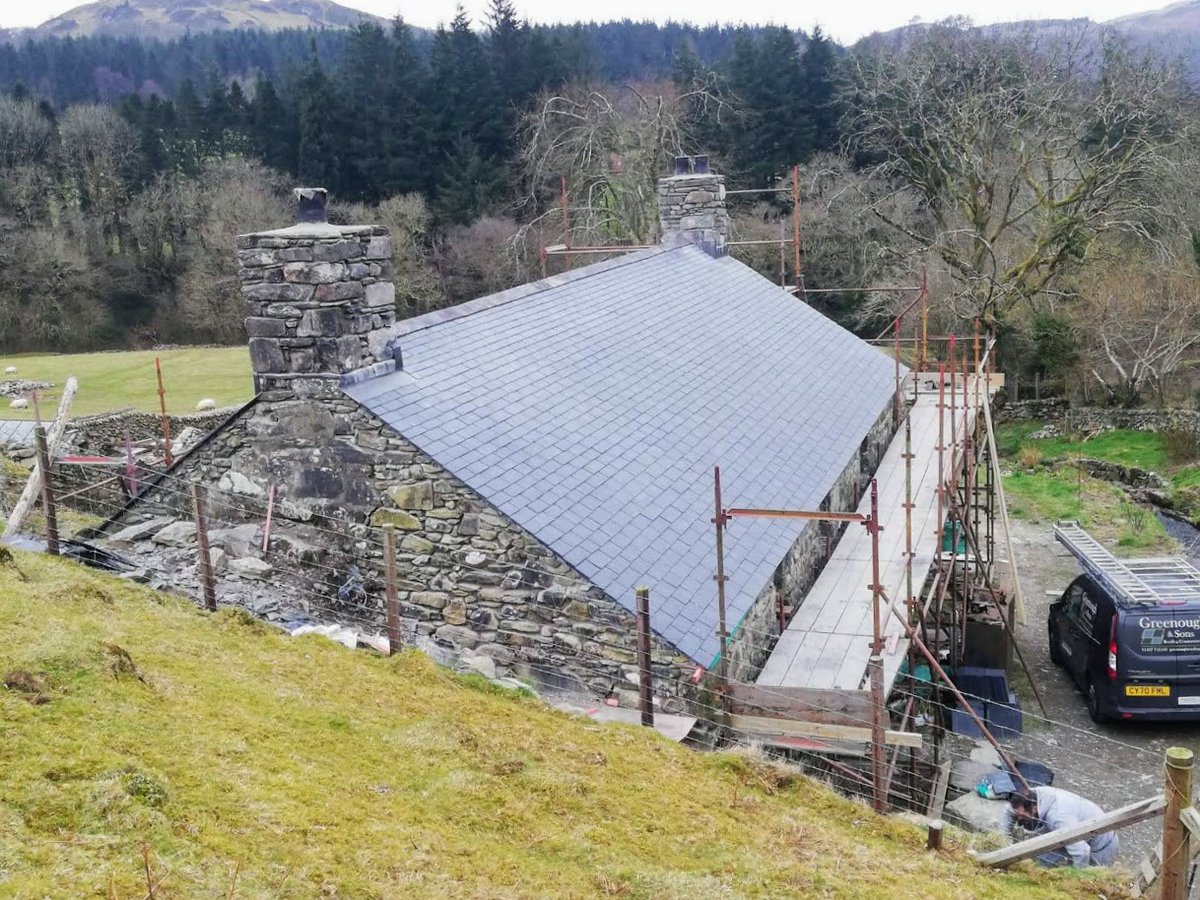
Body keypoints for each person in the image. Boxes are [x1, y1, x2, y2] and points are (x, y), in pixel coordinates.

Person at [1002, 786, 1118, 868]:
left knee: (1092, 883)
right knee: (1037, 862)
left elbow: (1082, 852)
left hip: (1101, 844)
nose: (1020, 819)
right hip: (1074, 830)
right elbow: (1009, 812)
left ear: (1033, 808)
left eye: (1022, 816)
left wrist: (1077, 880)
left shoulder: (1058, 818)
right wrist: (1003, 843)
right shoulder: (1033, 796)